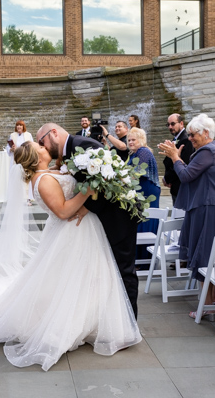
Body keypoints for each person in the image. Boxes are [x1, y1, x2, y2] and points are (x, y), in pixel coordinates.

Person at [0, 141, 141, 370]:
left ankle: (89, 321)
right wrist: (87, 193)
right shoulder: (43, 181)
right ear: (36, 156)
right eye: (40, 147)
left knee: (85, 279)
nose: (45, 147)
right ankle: (66, 323)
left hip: (81, 230)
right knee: (70, 280)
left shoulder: (47, 173)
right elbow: (62, 211)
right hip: (71, 232)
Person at [36, 122, 141, 316]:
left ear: (53, 134)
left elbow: (106, 181)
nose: (42, 147)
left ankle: (130, 321)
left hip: (118, 213)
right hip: (103, 215)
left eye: (41, 142)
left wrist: (85, 207)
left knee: (123, 267)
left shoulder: (85, 146)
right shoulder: (69, 151)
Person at [158, 114, 215, 317]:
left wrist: (175, 157)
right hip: (211, 207)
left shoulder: (208, 151)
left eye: (193, 134)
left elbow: (185, 176)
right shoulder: (212, 150)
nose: (190, 138)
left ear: (206, 133)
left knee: (205, 254)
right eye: (190, 134)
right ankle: (212, 303)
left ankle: (209, 305)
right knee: (211, 256)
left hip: (209, 209)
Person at [126, 128, 160, 254]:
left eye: (133, 139)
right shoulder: (135, 153)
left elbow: (137, 172)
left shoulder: (143, 151)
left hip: (147, 190)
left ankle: (144, 257)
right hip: (142, 189)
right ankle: (140, 257)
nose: (130, 142)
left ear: (141, 140)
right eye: (129, 140)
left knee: (145, 221)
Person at [163, 113, 195, 205]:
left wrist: (167, 178)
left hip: (181, 187)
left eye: (173, 124)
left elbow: (183, 162)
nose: (170, 127)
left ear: (181, 123)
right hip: (176, 186)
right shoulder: (176, 139)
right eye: (168, 124)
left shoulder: (186, 140)